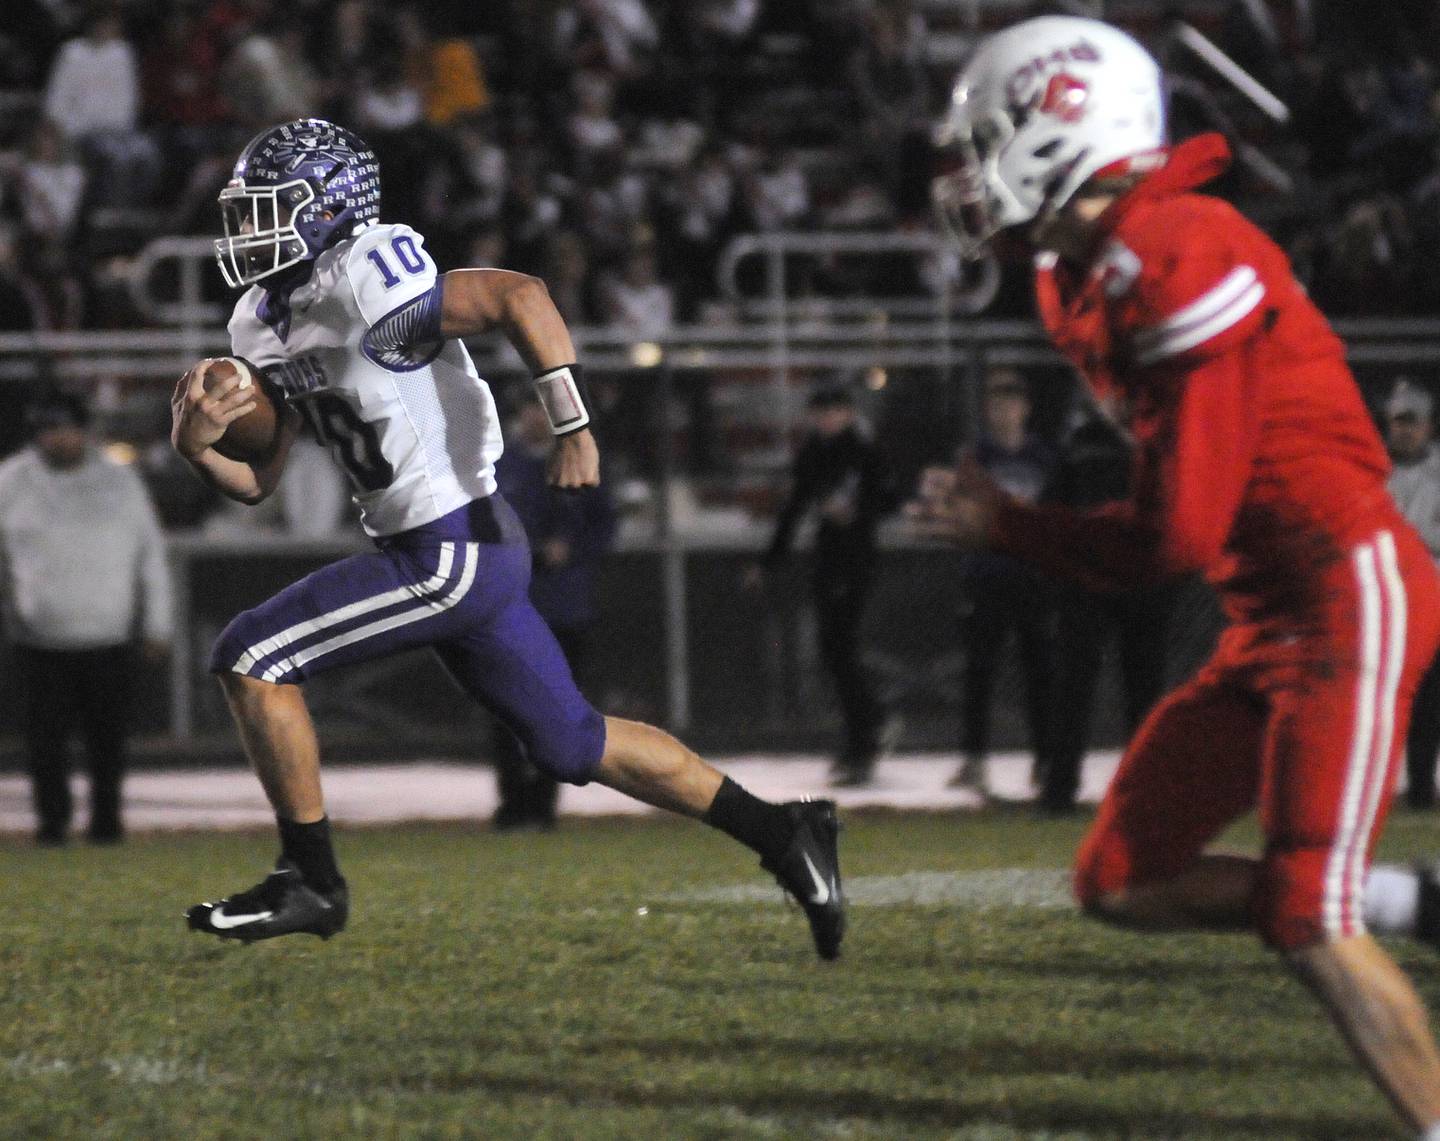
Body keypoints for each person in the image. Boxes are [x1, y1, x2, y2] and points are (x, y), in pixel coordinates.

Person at [917, 16, 1440, 1134]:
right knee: (1122, 877)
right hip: (1270, 616)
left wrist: (1015, 526)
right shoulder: (1081, 270)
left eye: (989, 139)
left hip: (1348, 588)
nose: (967, 172)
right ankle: (1413, 902)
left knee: (1305, 913)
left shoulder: (1182, 248)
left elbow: (1174, 542)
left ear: (1064, 132)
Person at [169, 118, 844, 960]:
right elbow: (259, 480)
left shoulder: (365, 276)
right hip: (452, 552)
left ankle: (312, 879)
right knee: (573, 742)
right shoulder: (263, 320)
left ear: (330, 208)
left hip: (449, 546)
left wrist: (573, 423)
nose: (250, 231)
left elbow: (518, 294)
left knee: (252, 656)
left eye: (272, 210)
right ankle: (784, 830)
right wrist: (199, 446)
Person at [0, 390, 172, 844]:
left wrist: (157, 623)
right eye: (47, 430)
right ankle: (52, 824)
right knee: (44, 743)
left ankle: (106, 824)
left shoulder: (120, 480)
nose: (57, 439)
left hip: (108, 634)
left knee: (107, 742)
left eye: (64, 428)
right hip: (38, 637)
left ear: (83, 430)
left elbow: (150, 556)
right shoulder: (10, 480)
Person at [747, 385, 899, 787]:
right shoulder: (814, 454)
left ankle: (865, 732)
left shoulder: (864, 450)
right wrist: (769, 561)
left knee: (841, 647)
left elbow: (890, 498)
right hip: (829, 559)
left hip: (855, 560)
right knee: (834, 650)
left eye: (833, 412)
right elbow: (794, 507)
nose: (827, 420)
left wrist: (855, 512)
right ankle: (865, 727)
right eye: (821, 413)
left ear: (848, 413)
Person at [1038, 403, 1174, 814]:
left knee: (1145, 693)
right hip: (1088, 586)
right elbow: (1052, 511)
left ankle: (1143, 794)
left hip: (1144, 585)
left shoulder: (1161, 440)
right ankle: (1060, 791)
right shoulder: (1080, 445)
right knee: (1073, 689)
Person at [490, 397, 616, 830]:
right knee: (504, 706)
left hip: (565, 606)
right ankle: (513, 803)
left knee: (558, 708)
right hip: (510, 604)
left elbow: (605, 526)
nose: (534, 416)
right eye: (528, 407)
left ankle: (543, 805)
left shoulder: (580, 459)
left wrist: (572, 550)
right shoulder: (496, 463)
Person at [951, 367, 1056, 797]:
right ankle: (974, 761)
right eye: (996, 403)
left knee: (1040, 672)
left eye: (1011, 402)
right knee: (979, 670)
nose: (1004, 411)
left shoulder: (1045, 459)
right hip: (988, 575)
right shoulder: (975, 459)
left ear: (1026, 409)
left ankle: (1046, 760)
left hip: (1032, 577)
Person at [1383, 378, 1440, 808]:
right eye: (1397, 422)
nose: (1404, 430)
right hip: (1387, 602)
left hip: (1432, 600)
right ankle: (1386, 788)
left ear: (1428, 426)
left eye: (1412, 422)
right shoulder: (1372, 469)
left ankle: (1421, 788)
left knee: (1428, 701)